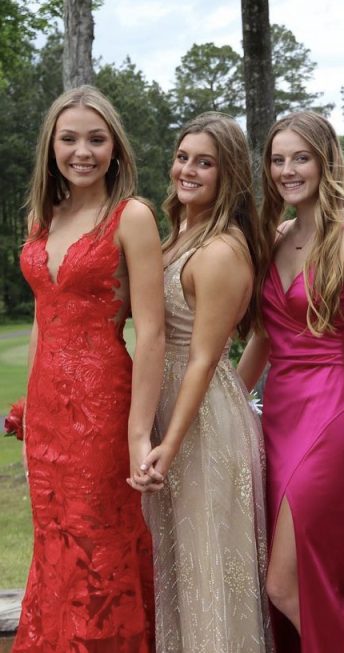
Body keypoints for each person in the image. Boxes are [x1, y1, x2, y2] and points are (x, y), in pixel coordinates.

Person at [237, 111, 344, 653]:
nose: (287, 169)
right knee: (302, 581)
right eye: (278, 159)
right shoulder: (275, 236)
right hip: (276, 415)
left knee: (284, 584)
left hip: (331, 417)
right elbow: (263, 337)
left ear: (324, 161)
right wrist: (229, 401)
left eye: (300, 157)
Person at [15, 85, 163, 651]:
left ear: (115, 148)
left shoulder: (131, 217)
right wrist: (29, 410)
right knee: (53, 543)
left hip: (103, 408)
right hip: (47, 414)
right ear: (51, 146)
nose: (83, 151)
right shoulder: (43, 217)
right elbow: (40, 321)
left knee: (99, 545)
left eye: (96, 139)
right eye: (70, 138)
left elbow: (151, 333)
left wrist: (138, 432)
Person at [136, 112, 274, 651]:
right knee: (175, 566)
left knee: (208, 569)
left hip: (198, 423)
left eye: (205, 162)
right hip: (176, 406)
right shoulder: (182, 233)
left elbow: (203, 358)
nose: (187, 170)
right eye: (182, 157)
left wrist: (168, 441)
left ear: (228, 173)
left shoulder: (221, 250)